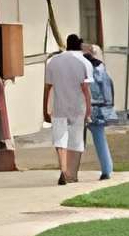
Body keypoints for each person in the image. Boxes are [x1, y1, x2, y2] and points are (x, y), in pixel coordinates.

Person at [43, 32, 94, 185]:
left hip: (59, 107)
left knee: (60, 140)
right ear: (79, 45)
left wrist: (45, 109)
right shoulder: (84, 62)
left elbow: (48, 88)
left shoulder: (53, 62)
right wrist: (89, 110)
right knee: (76, 141)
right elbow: (86, 90)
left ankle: (63, 170)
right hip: (78, 108)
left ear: (67, 45)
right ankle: (73, 174)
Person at [84, 36, 117, 179]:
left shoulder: (88, 70)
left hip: (90, 107)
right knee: (100, 138)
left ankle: (106, 169)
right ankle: (107, 169)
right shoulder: (103, 70)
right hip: (103, 106)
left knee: (91, 139)